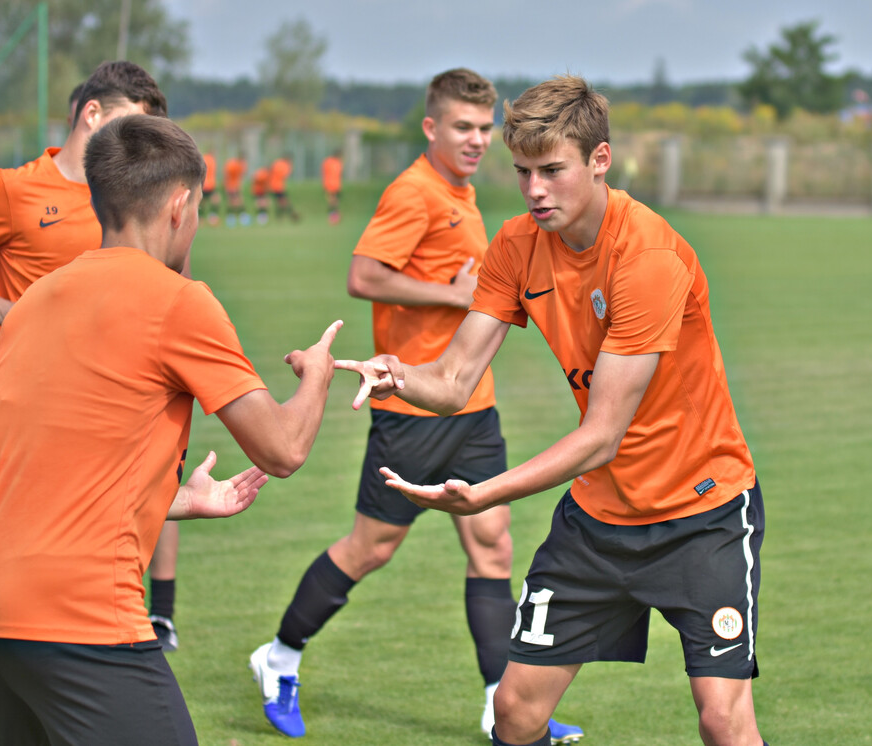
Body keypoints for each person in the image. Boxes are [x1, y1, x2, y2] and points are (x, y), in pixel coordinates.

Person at [340, 76, 768, 746]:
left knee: (722, 718)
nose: (535, 189)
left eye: (552, 171)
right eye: (523, 172)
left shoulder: (647, 257)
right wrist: (396, 375)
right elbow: (453, 379)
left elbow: (601, 435)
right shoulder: (515, 246)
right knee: (514, 713)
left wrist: (483, 493)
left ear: (599, 161)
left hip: (701, 516)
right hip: (598, 522)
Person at [0, 113, 343, 746]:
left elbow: (45, 473)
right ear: (180, 205)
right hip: (80, 615)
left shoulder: (32, 305)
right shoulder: (178, 299)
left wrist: (178, 497)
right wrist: (317, 376)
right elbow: (284, 448)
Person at [248, 69, 582, 743]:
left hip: (473, 408)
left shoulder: (460, 193)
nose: (477, 140)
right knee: (371, 548)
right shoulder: (415, 192)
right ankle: (279, 657)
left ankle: (500, 704)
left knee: (492, 546)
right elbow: (363, 274)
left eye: (486, 129)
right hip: (412, 412)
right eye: (463, 127)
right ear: (431, 127)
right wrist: (455, 296)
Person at [0, 62, 181, 746]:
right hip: (28, 408)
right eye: (133, 124)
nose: (141, 143)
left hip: (123, 402)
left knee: (120, 529)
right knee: (33, 555)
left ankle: (143, 630)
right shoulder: (11, 190)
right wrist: (7, 308)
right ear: (91, 115)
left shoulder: (131, 198)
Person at [269, 155, 300, 222]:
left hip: (274, 185)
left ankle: (283, 216)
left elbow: (271, 169)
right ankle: (290, 214)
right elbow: (285, 175)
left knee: (282, 202)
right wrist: (290, 167)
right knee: (283, 202)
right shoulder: (285, 166)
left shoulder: (277, 162)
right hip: (278, 186)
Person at [224, 155, 247, 226]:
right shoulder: (233, 165)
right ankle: (231, 218)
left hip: (236, 186)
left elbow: (241, 176)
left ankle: (242, 218)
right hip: (231, 186)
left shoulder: (241, 166)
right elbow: (227, 175)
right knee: (233, 202)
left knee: (239, 201)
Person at [320, 150, 343, 224]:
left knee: (332, 202)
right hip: (334, 184)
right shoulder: (338, 163)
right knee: (333, 201)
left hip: (330, 184)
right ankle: (334, 217)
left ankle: (334, 217)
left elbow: (323, 172)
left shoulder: (327, 161)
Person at [201, 150, 221, 225]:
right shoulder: (211, 160)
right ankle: (212, 218)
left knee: (203, 203)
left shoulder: (204, 158)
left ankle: (202, 219)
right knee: (215, 201)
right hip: (209, 184)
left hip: (205, 184)